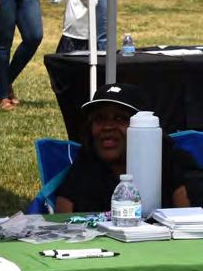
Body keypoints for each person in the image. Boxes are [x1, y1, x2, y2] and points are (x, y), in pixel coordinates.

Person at [55, 84, 194, 213]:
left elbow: (190, 219)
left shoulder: (171, 160)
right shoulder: (86, 162)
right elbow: (61, 220)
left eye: (120, 118)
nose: (107, 127)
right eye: (99, 118)